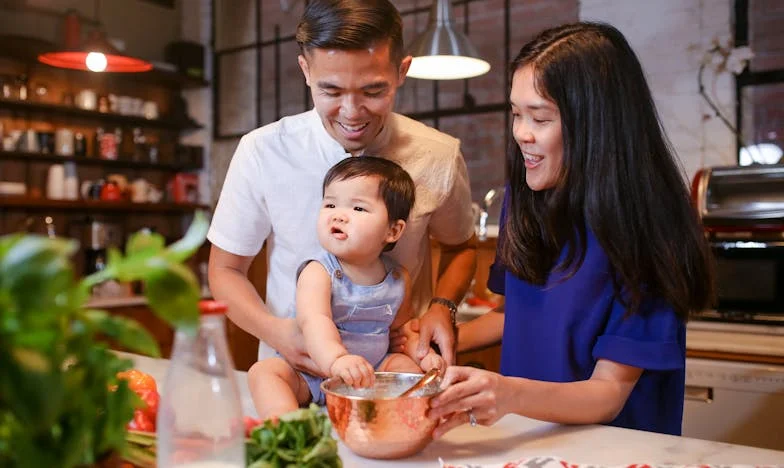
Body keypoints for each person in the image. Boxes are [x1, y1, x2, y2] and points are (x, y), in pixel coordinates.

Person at [427, 22, 715, 437]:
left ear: (597, 125)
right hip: (528, 443)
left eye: (539, 118)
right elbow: (518, 316)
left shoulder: (652, 227)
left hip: (616, 452)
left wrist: (506, 393)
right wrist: (439, 340)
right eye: (516, 114)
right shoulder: (524, 200)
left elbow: (608, 393)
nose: (521, 133)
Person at [207, 0, 477, 376]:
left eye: (373, 91)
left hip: (396, 374)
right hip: (292, 373)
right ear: (306, 71)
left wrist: (442, 306)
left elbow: (461, 247)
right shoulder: (263, 150)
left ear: (401, 71)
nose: (351, 112)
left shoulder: (437, 155)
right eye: (331, 91)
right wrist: (278, 333)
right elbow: (225, 270)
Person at [248, 157, 445, 418]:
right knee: (265, 372)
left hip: (371, 374)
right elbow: (314, 321)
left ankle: (395, 418)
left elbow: (401, 332)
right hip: (312, 372)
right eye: (330, 204)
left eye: (358, 208)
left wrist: (422, 355)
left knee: (406, 369)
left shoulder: (398, 278)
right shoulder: (319, 271)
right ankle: (285, 421)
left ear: (393, 231)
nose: (338, 215)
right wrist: (337, 360)